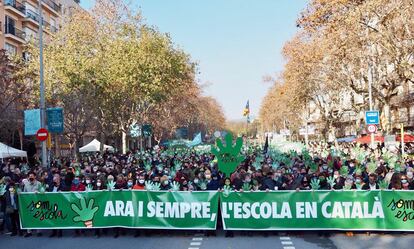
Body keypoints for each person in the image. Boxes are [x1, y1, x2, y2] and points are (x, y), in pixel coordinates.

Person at [23, 172, 42, 237]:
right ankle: (29, 232)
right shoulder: (26, 184)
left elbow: (43, 191)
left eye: (32, 176)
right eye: (29, 176)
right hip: (29, 203)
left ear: (35, 176)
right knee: (29, 217)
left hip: (37, 202)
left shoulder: (39, 183)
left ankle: (38, 231)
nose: (31, 177)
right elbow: (24, 193)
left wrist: (38, 192)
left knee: (37, 216)